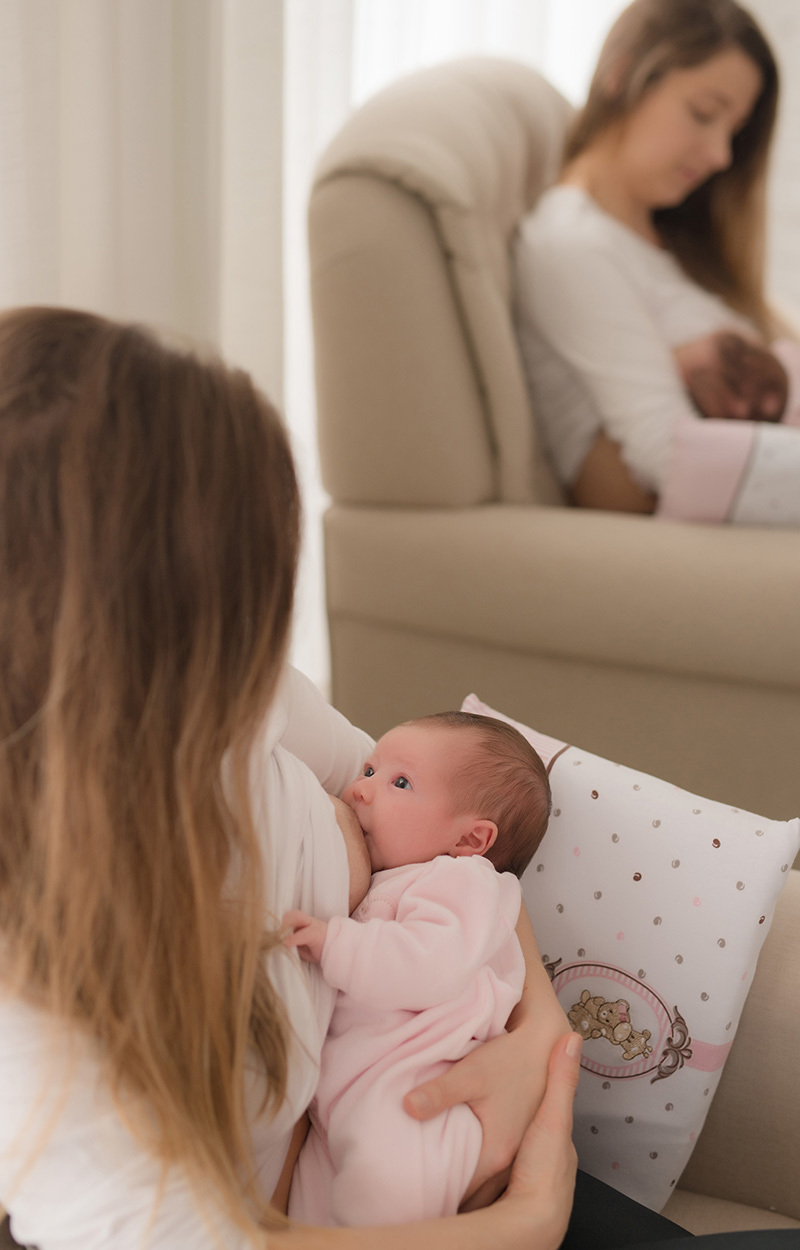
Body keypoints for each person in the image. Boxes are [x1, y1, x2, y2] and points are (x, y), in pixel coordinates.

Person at [0, 304, 586, 1250]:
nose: (267, 626)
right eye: (250, 581)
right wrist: (528, 1219)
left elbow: (440, 815)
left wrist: (539, 1053)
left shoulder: (237, 698)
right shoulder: (36, 990)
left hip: (454, 1137)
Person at [514, 0, 800, 526]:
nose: (720, 156)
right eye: (703, 114)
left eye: (733, 132)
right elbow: (667, 459)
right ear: (623, 74)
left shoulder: (678, 242)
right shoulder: (573, 245)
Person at [283, 711, 551, 1227]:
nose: (361, 790)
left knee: (382, 1194)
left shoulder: (462, 881)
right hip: (345, 1107)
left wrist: (334, 942)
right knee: (309, 1215)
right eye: (368, 769)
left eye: (399, 782)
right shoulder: (402, 877)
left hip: (414, 1102)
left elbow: (430, 965)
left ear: (471, 841)